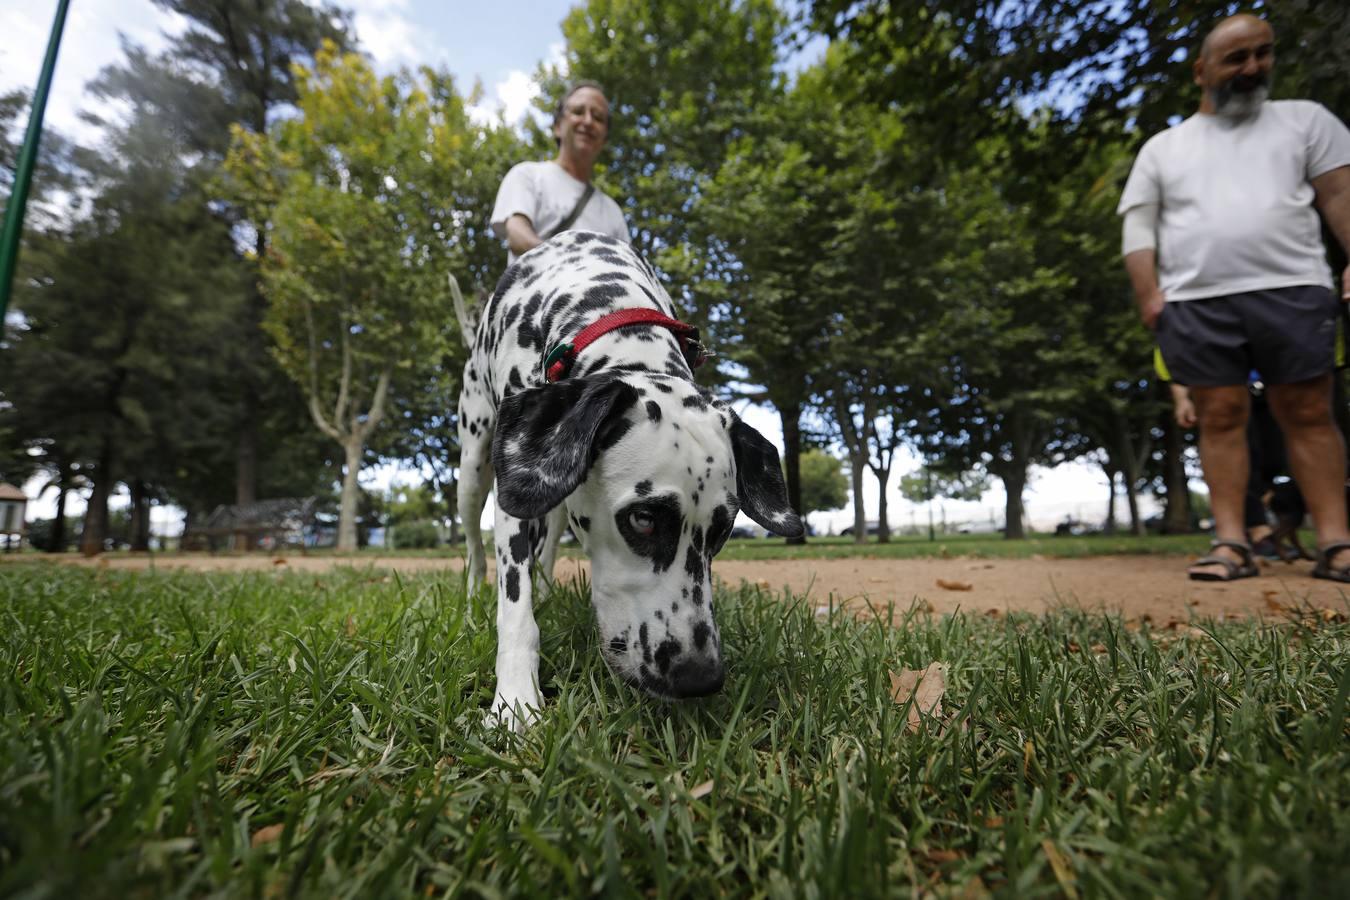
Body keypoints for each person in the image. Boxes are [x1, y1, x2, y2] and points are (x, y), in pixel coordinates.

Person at [1118, 13, 1350, 581]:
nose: (1252, 67)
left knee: (1309, 412)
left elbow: (1340, 192)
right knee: (1219, 417)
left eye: (1262, 54)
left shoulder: (1305, 122)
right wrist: (1151, 299)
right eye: (1236, 58)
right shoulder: (1164, 148)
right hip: (1197, 300)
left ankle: (1337, 542)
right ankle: (1231, 541)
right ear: (1202, 71)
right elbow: (1138, 228)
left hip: (1292, 288)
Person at [489, 81, 629, 266]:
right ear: (558, 126)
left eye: (598, 118)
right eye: (578, 112)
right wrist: (573, 268)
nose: (588, 121)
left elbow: (626, 268)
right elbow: (517, 236)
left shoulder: (613, 212)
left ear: (604, 139)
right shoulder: (527, 176)